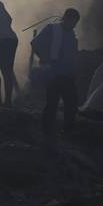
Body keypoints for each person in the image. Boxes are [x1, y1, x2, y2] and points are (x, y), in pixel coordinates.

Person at [31, 8, 80, 140]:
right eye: (72, 21)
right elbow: (35, 43)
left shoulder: (72, 35)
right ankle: (47, 133)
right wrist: (45, 58)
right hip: (53, 73)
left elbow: (73, 54)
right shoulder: (52, 29)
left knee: (71, 103)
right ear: (66, 18)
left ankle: (67, 131)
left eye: (75, 23)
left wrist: (74, 70)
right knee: (52, 104)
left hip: (68, 74)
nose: (73, 25)